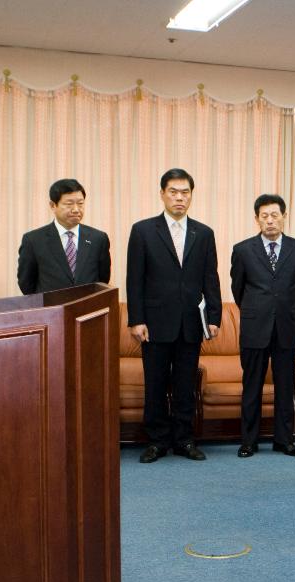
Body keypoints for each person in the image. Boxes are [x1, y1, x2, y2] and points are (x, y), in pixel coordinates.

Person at [125, 168, 221, 463]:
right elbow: (135, 279)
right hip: (153, 324)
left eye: (185, 192)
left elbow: (210, 277)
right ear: (162, 194)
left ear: (191, 195)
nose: (180, 198)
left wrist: (214, 317)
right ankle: (156, 441)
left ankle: (183, 439)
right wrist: (136, 319)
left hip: (190, 323)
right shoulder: (142, 230)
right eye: (174, 192)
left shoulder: (203, 233)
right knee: (154, 384)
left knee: (184, 385)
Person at [230, 193, 295, 457]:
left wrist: (282, 309)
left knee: (285, 386)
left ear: (284, 217)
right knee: (251, 385)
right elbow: (238, 289)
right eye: (264, 216)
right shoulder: (242, 250)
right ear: (256, 219)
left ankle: (284, 439)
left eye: (275, 215)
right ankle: (249, 441)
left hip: (286, 326)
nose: (270, 221)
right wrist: (257, 310)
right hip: (255, 327)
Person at [16, 178, 112, 294]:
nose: (76, 209)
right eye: (69, 204)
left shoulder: (98, 238)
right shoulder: (33, 240)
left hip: (88, 309)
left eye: (80, 203)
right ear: (53, 205)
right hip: (50, 310)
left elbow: (103, 279)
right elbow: (26, 284)